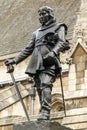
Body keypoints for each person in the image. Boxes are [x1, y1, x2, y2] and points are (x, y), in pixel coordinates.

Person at [5, 6, 70, 120]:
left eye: (43, 13)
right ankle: (43, 113)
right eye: (40, 15)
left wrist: (53, 53)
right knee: (39, 87)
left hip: (49, 61)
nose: (41, 16)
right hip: (36, 63)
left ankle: (45, 112)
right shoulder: (36, 33)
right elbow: (28, 49)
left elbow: (61, 42)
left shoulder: (59, 26)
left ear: (50, 14)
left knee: (46, 84)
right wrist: (14, 60)